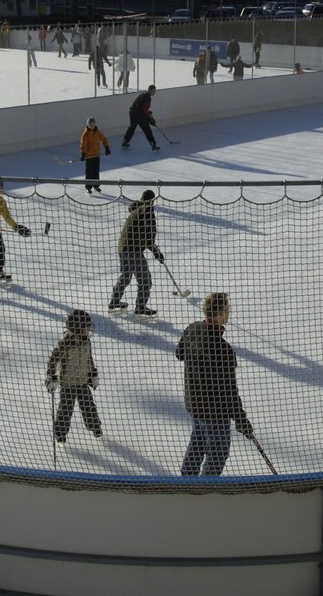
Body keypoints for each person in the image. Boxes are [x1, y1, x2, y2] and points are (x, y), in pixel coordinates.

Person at [177, 292, 254, 476]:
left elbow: (179, 353)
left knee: (198, 442)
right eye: (227, 310)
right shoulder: (223, 349)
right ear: (220, 314)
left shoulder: (192, 329)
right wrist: (241, 419)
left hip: (194, 404)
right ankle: (206, 488)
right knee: (218, 453)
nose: (229, 313)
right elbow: (229, 391)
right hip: (215, 412)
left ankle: (186, 481)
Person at [45, 309, 103, 445]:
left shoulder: (86, 341)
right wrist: (51, 376)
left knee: (89, 407)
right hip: (68, 382)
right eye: (86, 327)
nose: (88, 329)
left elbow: (89, 358)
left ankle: (95, 427)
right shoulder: (65, 343)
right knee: (65, 410)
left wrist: (92, 373)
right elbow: (53, 359)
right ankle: (60, 434)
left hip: (82, 381)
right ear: (77, 328)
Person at [107, 189, 163, 316]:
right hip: (134, 251)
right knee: (145, 280)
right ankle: (140, 307)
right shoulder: (147, 210)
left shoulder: (135, 210)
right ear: (153, 200)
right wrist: (156, 252)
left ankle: (114, 301)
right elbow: (149, 237)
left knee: (126, 276)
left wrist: (155, 251)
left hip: (123, 248)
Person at [121, 85, 159, 151]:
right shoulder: (148, 98)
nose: (154, 92)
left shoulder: (143, 95)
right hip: (138, 114)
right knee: (147, 129)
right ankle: (153, 144)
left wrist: (149, 116)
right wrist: (149, 118)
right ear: (149, 90)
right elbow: (144, 109)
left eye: (155, 91)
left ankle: (125, 141)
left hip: (132, 112)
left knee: (132, 127)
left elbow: (143, 108)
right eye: (153, 91)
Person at [79, 116, 111, 194]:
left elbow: (104, 139)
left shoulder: (97, 132)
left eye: (93, 125)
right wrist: (83, 154)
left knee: (96, 171)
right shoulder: (85, 134)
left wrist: (107, 148)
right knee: (89, 172)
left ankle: (96, 186)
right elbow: (83, 145)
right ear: (88, 125)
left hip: (96, 155)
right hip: (89, 156)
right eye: (90, 125)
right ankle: (88, 187)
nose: (92, 127)